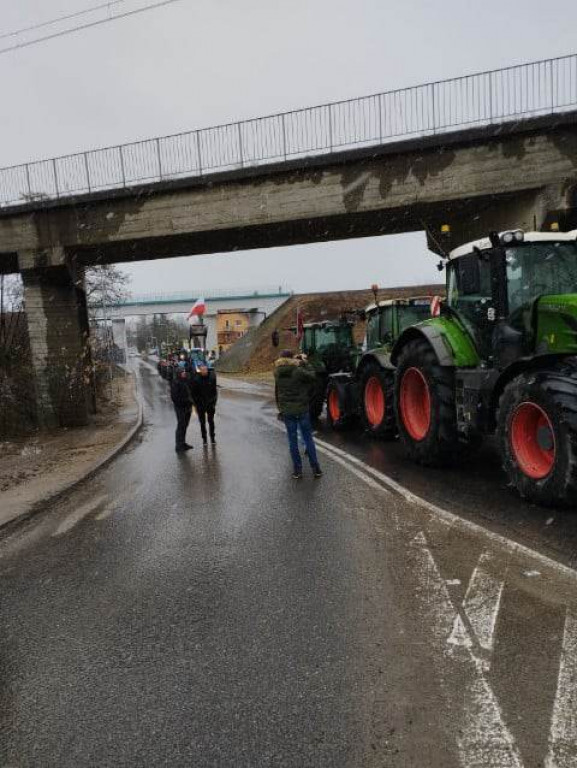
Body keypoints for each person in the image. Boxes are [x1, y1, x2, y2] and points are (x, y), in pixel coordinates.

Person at [274, 350, 322, 479]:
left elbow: (277, 391)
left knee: (292, 441)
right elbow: (312, 376)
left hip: (287, 411)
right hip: (302, 410)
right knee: (308, 438)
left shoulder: (277, 372)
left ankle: (297, 470)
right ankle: (316, 468)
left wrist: (281, 408)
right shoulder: (298, 371)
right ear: (292, 358)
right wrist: (305, 363)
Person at [191, 363, 218, 445]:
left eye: (205, 369)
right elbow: (193, 394)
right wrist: (196, 405)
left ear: (207, 369)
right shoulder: (196, 379)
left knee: (211, 421)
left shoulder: (212, 378)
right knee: (202, 423)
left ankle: (212, 438)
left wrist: (213, 402)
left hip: (210, 404)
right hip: (200, 405)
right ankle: (204, 439)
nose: (204, 371)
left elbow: (215, 392)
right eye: (202, 370)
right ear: (200, 370)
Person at [170, 368, 193, 453]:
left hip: (188, 407)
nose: (184, 373)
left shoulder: (186, 381)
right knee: (181, 426)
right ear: (178, 373)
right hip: (180, 408)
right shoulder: (176, 383)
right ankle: (178, 446)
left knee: (185, 426)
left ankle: (183, 443)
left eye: (184, 371)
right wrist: (186, 402)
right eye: (182, 372)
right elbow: (175, 398)